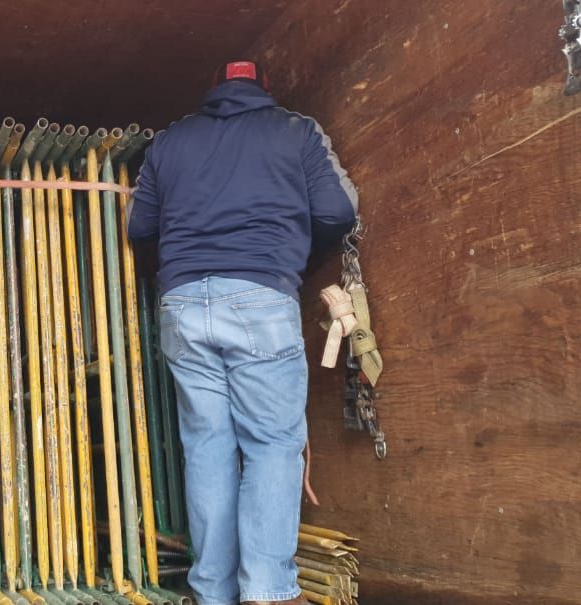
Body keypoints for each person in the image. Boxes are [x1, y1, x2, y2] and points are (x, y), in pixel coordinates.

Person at [127, 60, 358, 605]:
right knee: (272, 444)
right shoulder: (297, 131)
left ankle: (211, 591)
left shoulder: (169, 142)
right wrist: (292, 245)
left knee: (207, 449)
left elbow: (138, 226)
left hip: (182, 304)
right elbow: (339, 210)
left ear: (212, 91)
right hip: (260, 295)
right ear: (264, 89)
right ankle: (269, 591)